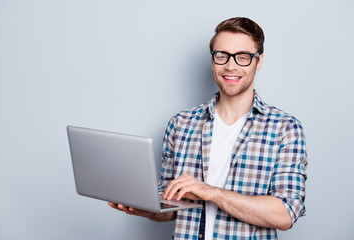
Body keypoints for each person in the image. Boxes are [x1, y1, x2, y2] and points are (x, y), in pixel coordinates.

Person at [108, 17, 307, 240]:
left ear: (258, 61)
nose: (230, 66)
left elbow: (285, 214)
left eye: (242, 57)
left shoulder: (285, 129)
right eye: (222, 56)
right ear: (213, 61)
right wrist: (150, 210)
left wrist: (212, 193)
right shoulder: (180, 124)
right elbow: (173, 206)